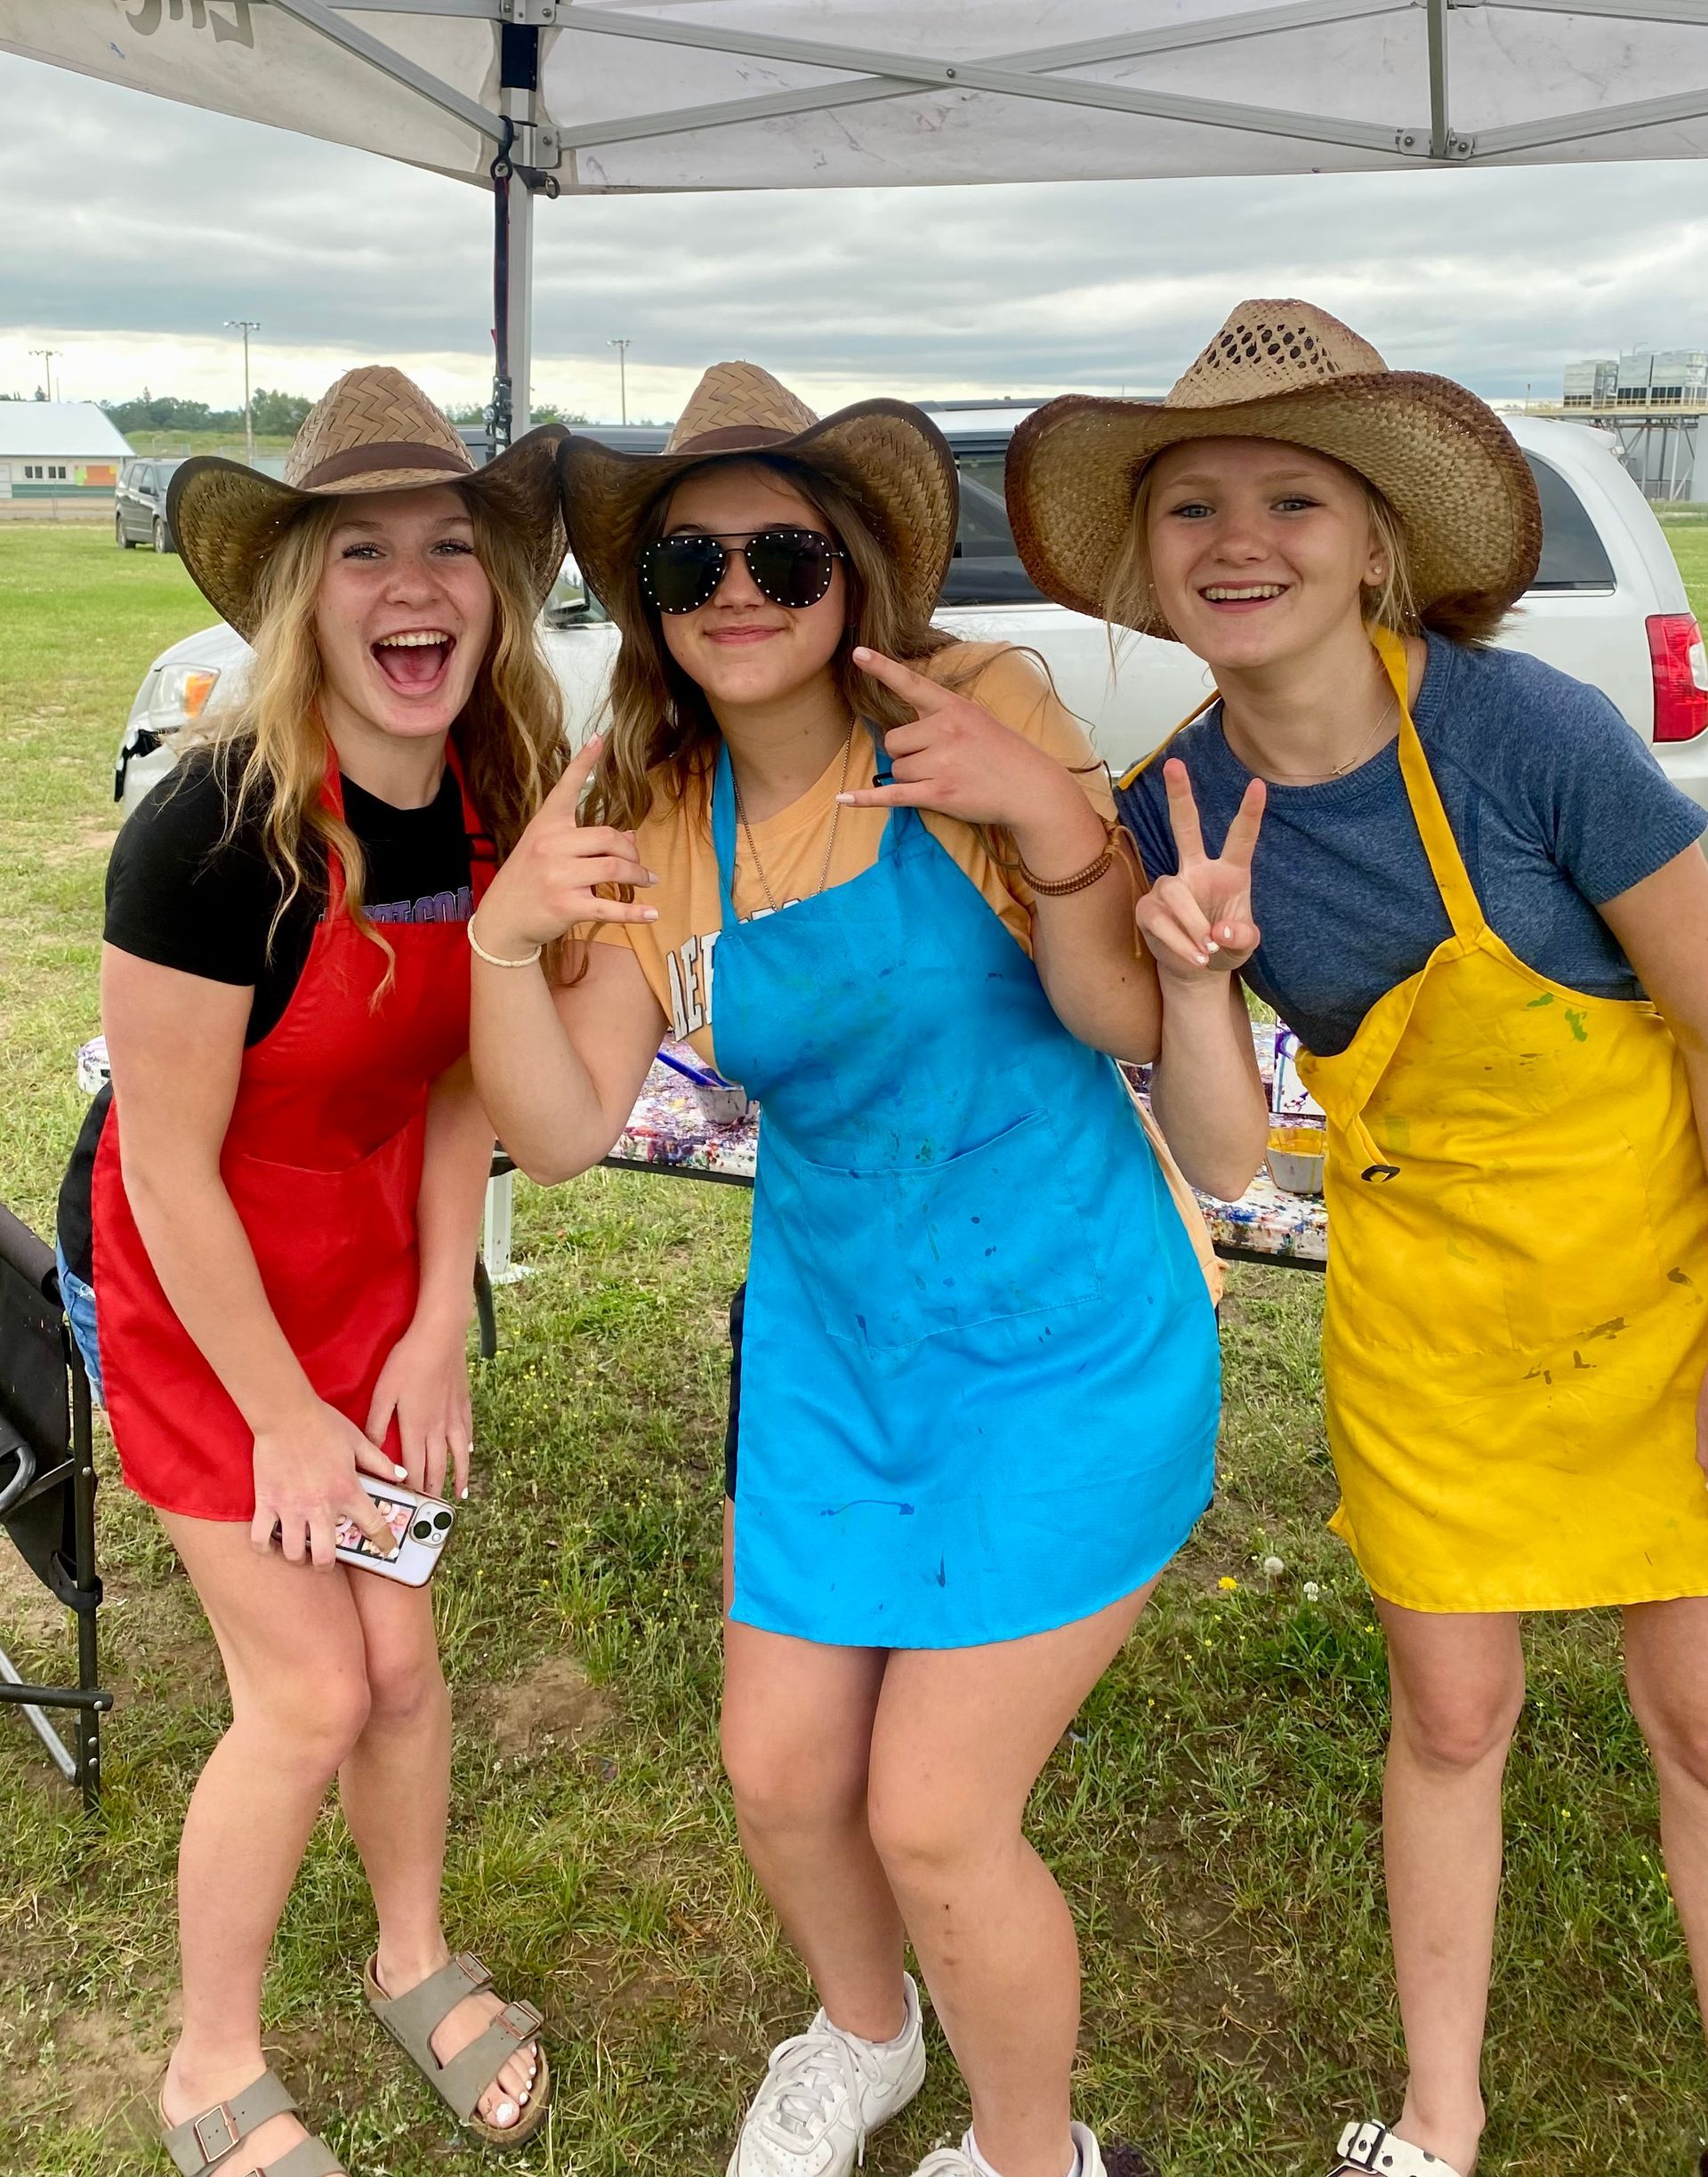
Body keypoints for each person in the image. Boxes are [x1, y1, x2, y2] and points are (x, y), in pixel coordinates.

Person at [467, 361, 1264, 2177]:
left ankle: (1030, 2153)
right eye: (690, 568)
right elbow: (570, 1125)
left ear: (854, 577)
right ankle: (865, 2035)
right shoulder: (662, 818)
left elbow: (1128, 1015)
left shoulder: (976, 703)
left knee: (931, 1817)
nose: (739, 590)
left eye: (783, 552)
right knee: (777, 1771)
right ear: (651, 615)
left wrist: (1053, 826)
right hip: (840, 1338)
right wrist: (505, 951)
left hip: (1064, 1330)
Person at [1007, 299, 1708, 2177]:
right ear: (1150, 567)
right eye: (1193, 508)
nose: (1240, 542)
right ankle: (1439, 2116)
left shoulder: (1531, 735)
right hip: (1429, 1312)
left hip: (1664, 1285)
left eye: (1293, 499)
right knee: (1456, 1713)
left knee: (1702, 1714)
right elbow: (1232, 1159)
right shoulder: (1170, 796)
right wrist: (1201, 978)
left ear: (1379, 540)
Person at [56, 369, 568, 2176]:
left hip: (363, 1280)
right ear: (299, 591)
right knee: (312, 1695)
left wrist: (436, 1323)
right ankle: (208, 2066)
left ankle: (412, 1956)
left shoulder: (497, 803)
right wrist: (279, 1415)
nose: (412, 583)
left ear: (493, 594)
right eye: (363, 548)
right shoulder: (205, 834)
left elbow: (453, 1090)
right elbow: (168, 1165)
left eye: (449, 546)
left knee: (408, 1674)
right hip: (203, 1304)